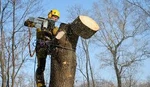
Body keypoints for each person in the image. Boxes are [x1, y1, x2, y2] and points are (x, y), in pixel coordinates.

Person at [24, 9, 60, 87]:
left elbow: (59, 35)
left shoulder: (55, 28)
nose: (55, 19)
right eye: (54, 17)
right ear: (50, 15)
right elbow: (27, 23)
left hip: (50, 47)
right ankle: (40, 84)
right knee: (41, 67)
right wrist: (34, 22)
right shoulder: (42, 23)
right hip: (41, 47)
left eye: (57, 18)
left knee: (57, 61)